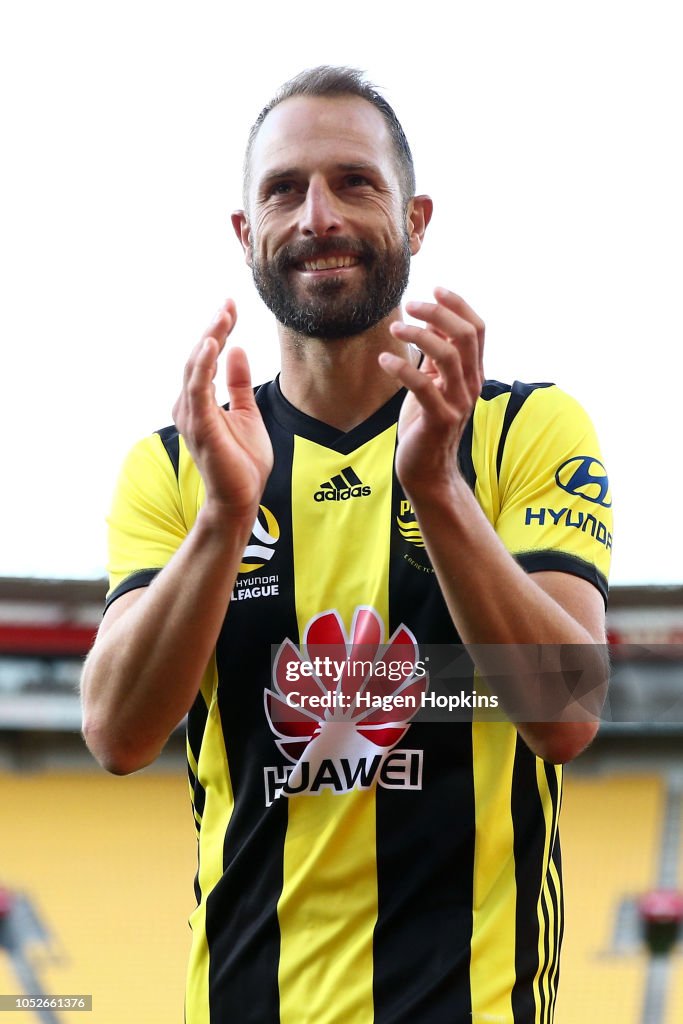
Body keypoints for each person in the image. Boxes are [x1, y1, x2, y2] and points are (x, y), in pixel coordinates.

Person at [81, 66, 613, 1024]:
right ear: (247, 234)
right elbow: (117, 735)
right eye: (284, 189)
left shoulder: (524, 430)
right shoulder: (177, 467)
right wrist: (218, 523)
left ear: (414, 218)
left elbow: (565, 712)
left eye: (353, 183)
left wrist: (438, 490)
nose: (318, 215)